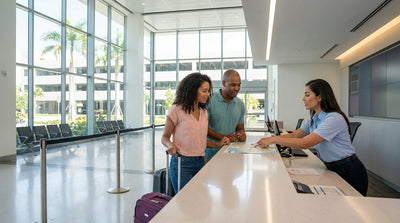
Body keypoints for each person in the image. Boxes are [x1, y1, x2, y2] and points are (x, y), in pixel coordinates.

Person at [255, 79, 368, 196]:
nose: (303, 99)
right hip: (331, 167)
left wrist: (273, 139)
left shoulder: (333, 118)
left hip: (349, 170)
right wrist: (272, 138)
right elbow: (295, 135)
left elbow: (305, 143)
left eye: (307, 95)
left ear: (320, 97)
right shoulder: (314, 118)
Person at [161, 72, 229, 193]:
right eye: (204, 91)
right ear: (193, 90)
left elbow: (201, 141)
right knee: (184, 201)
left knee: (199, 199)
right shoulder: (176, 110)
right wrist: (170, 145)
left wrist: (219, 144)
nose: (207, 94)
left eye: (208, 91)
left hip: (200, 162)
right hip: (182, 163)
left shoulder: (204, 112)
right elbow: (164, 138)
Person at [205, 69, 247, 163]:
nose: (237, 88)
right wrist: (223, 137)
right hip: (210, 155)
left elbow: (240, 129)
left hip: (230, 153)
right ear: (224, 83)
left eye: (239, 84)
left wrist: (241, 135)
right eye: (233, 85)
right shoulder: (209, 100)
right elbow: (203, 130)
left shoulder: (240, 104)